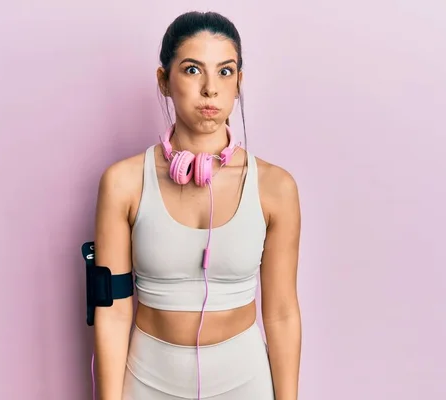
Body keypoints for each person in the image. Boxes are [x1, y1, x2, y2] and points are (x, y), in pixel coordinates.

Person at [93, 11, 302, 400]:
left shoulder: (276, 187)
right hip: (147, 380)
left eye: (225, 72)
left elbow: (282, 313)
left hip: (246, 383)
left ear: (239, 82)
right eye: (192, 70)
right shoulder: (123, 183)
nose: (210, 89)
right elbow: (113, 311)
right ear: (164, 81)